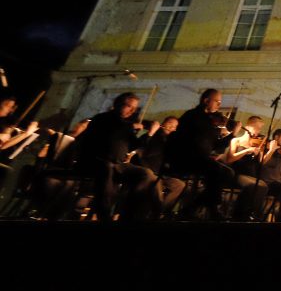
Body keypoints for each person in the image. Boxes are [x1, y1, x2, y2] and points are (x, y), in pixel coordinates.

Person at [75, 92, 155, 221]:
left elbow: (134, 145)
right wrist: (131, 126)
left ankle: (128, 212)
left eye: (135, 108)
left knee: (147, 174)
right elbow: (113, 131)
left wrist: (150, 133)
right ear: (117, 104)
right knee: (107, 168)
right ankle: (104, 216)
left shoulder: (126, 124)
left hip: (118, 164)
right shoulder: (101, 119)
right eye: (129, 106)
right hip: (96, 162)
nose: (133, 111)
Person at [165, 88, 236, 219]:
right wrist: (212, 126)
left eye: (220, 102)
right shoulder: (192, 116)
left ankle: (193, 207)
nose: (219, 105)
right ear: (206, 101)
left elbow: (216, 146)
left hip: (201, 159)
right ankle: (212, 210)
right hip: (186, 157)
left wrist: (233, 135)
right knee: (215, 170)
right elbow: (187, 140)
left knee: (228, 173)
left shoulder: (211, 122)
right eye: (217, 101)